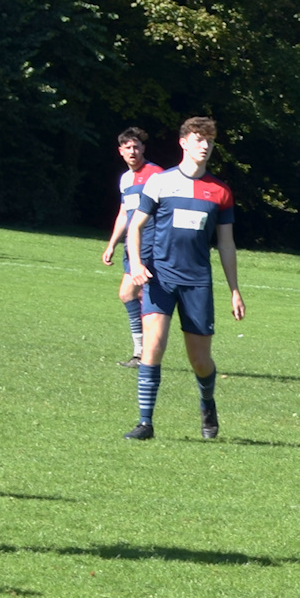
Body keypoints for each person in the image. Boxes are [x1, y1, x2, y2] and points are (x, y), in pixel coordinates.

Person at [124, 117, 243, 440]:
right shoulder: (160, 183)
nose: (205, 146)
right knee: (153, 346)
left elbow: (227, 244)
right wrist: (136, 264)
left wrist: (234, 290)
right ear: (184, 143)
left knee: (200, 361)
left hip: (197, 283)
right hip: (161, 278)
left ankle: (207, 404)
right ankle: (145, 423)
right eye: (198, 139)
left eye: (210, 141)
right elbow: (134, 228)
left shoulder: (220, 191)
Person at [99, 127, 162, 365]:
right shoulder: (125, 179)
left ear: (143, 148)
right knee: (138, 296)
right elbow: (124, 214)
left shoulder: (156, 175)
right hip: (131, 246)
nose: (133, 151)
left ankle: (143, 353)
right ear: (121, 151)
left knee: (128, 293)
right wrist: (111, 244)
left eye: (137, 147)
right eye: (128, 148)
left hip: (150, 244)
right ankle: (145, 351)